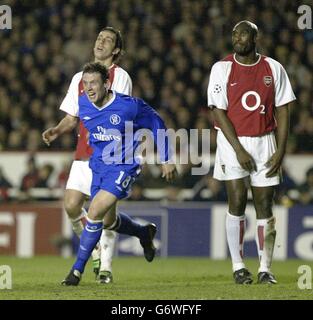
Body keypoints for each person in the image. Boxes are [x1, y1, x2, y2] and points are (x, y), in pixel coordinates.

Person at [43, 62, 176, 286]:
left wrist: (166, 158)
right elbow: (74, 120)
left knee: (93, 212)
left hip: (124, 165)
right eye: (85, 84)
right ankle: (143, 233)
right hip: (99, 166)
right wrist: (57, 130)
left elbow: (156, 122)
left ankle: (76, 272)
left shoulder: (128, 106)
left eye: (93, 83)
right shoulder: (84, 103)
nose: (88, 88)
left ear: (107, 83)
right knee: (108, 221)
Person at [207, 21, 296, 284]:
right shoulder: (221, 68)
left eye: (243, 33)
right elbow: (218, 111)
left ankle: (265, 269)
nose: (237, 37)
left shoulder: (273, 68)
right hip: (231, 141)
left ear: (256, 37)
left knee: (265, 205)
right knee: (236, 201)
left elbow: (283, 109)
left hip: (264, 140)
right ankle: (238, 266)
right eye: (234, 33)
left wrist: (280, 151)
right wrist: (238, 149)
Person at [43, 27, 132, 284]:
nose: (100, 42)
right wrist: (57, 130)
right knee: (72, 204)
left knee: (105, 216)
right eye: (99, 38)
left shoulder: (120, 76)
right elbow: (72, 116)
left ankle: (105, 267)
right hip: (84, 152)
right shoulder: (78, 78)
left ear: (116, 50)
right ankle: (95, 247)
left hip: (110, 153)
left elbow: (122, 113)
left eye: (108, 40)